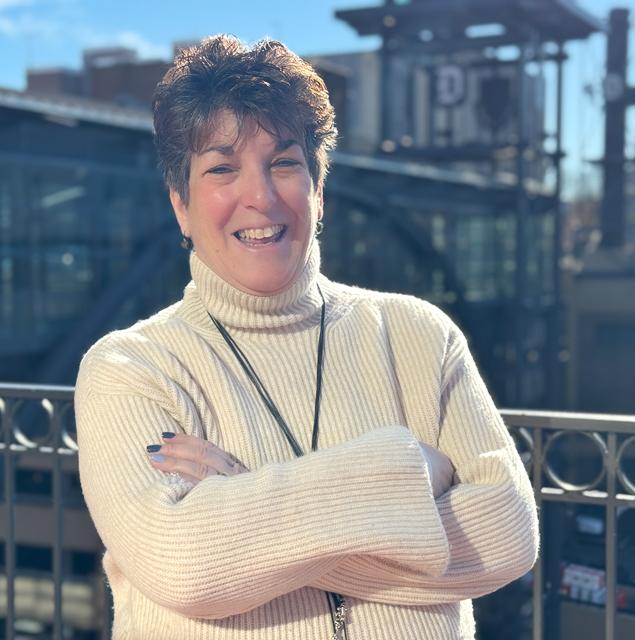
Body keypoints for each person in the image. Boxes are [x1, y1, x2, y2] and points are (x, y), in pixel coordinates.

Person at [74, 35, 538, 640]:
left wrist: (246, 512)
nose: (260, 197)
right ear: (181, 206)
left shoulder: (418, 334)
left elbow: (506, 534)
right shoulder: (130, 366)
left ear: (320, 190)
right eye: (221, 168)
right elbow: (183, 565)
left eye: (285, 163)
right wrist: (407, 471)